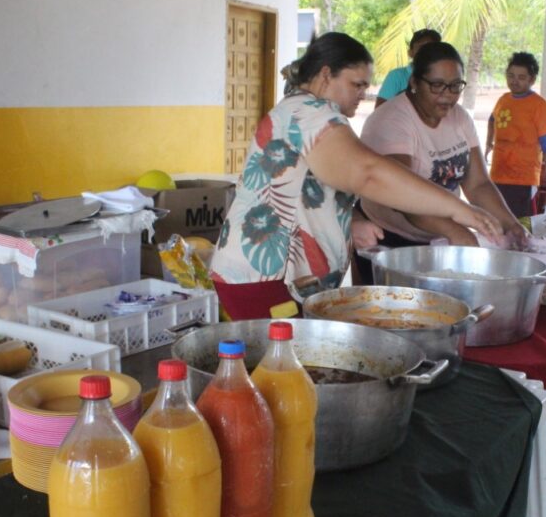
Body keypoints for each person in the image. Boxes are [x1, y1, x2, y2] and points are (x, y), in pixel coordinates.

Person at [209, 32, 503, 319]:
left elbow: (306, 189)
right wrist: (457, 209)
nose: (364, 94)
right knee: (280, 354)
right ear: (326, 75)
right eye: (357, 85)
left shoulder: (313, 112)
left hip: (288, 280)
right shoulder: (308, 112)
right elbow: (368, 173)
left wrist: (353, 220)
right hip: (264, 278)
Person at [358, 41, 524, 257]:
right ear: (415, 82)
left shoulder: (460, 118)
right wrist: (456, 231)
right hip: (390, 238)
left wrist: (510, 224)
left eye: (455, 86)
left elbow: (478, 184)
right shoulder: (392, 121)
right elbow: (401, 196)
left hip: (438, 238)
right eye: (437, 85)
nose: (447, 95)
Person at [485, 52, 546, 218]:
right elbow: (492, 120)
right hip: (497, 177)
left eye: (521, 77)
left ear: (532, 80)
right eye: (511, 76)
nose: (514, 81)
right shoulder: (503, 100)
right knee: (496, 226)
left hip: (523, 182)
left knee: (520, 228)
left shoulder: (540, 106)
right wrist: (488, 143)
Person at [374, 29, 441, 108]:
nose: (427, 52)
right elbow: (379, 110)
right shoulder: (396, 76)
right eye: (421, 47)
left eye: (432, 48)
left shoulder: (444, 78)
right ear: (410, 53)